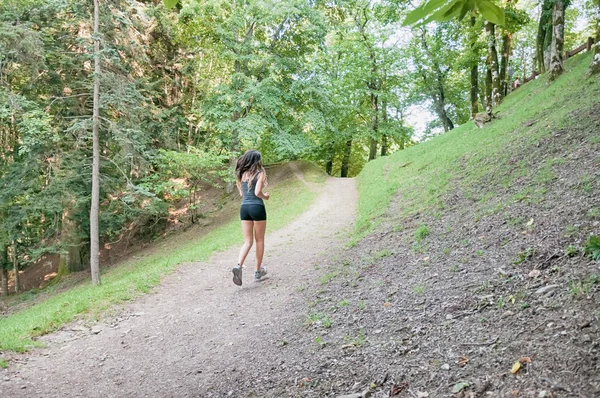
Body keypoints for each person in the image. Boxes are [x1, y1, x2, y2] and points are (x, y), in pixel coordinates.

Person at [231, 150, 270, 286]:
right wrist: (265, 196)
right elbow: (257, 192)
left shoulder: (241, 174)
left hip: (244, 209)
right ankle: (257, 272)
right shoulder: (260, 173)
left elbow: (243, 194)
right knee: (259, 240)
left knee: (248, 241)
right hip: (257, 207)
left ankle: (238, 266)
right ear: (257, 160)